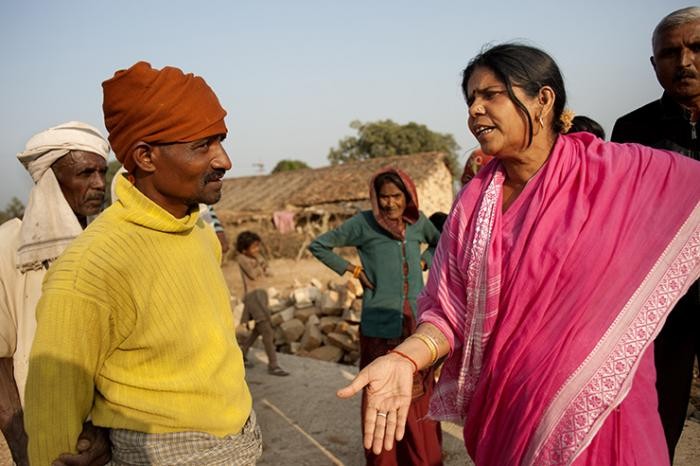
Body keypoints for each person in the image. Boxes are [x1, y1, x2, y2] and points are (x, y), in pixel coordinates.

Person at [337, 43, 700, 466]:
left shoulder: (618, 173)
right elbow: (447, 314)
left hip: (604, 415)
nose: (475, 110)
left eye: (491, 94)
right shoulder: (471, 208)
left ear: (542, 99)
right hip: (508, 418)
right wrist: (403, 358)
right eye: (470, 98)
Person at [23, 61, 261, 465]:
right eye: (203, 145)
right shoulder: (90, 267)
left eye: (220, 140)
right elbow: (54, 415)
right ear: (146, 157)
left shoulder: (199, 232)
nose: (224, 160)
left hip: (240, 439)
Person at [611, 7, 700, 461]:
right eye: (670, 52)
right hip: (663, 306)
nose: (684, 62)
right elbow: (619, 222)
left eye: (696, 48)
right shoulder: (632, 130)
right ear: (654, 65)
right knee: (656, 416)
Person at [309, 167, 443, 466]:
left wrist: (426, 258)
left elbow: (439, 241)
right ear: (375, 198)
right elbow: (318, 245)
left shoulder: (418, 222)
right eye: (384, 197)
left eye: (397, 196)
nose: (390, 204)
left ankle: (422, 457)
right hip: (379, 325)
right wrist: (353, 270)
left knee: (419, 395)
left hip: (416, 323)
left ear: (407, 196)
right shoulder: (363, 224)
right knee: (382, 393)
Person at [0, 121, 111, 466]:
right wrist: (22, 443)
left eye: (102, 172)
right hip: (45, 431)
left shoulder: (107, 245)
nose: (98, 183)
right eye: (85, 173)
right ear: (50, 178)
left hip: (111, 431)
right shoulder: (9, 246)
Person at [235, 230, 290, 376]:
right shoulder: (242, 259)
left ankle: (242, 353)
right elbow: (253, 275)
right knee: (267, 330)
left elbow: (269, 273)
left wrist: (262, 263)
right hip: (253, 298)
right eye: (254, 247)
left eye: (258, 247)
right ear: (244, 249)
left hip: (262, 295)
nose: (257, 250)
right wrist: (259, 264)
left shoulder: (256, 258)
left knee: (258, 329)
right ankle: (273, 365)